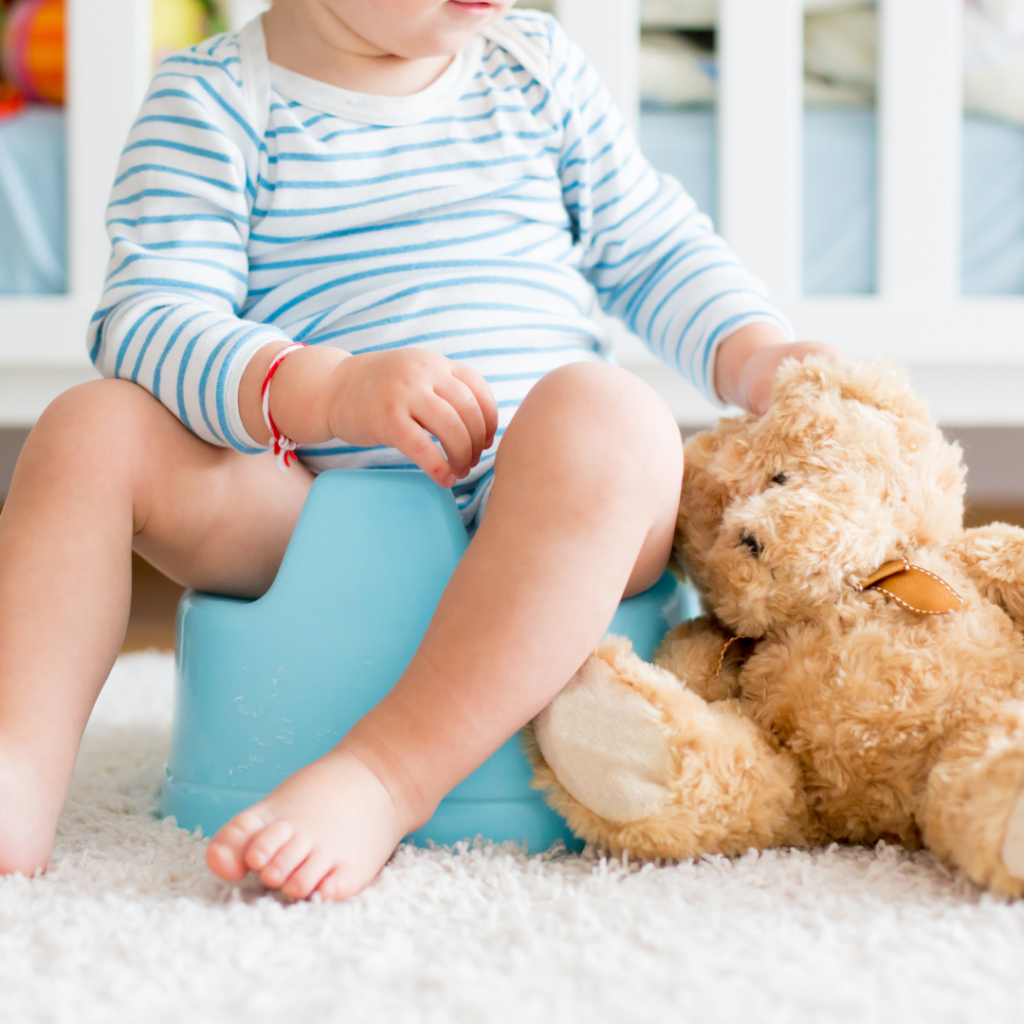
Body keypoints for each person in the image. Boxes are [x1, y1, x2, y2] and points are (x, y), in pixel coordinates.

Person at [0, 0, 837, 900]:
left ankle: (385, 775)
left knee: (616, 414)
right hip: (311, 510)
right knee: (90, 427)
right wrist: (322, 390)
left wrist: (755, 355)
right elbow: (150, 319)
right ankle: (19, 765)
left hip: (550, 502)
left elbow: (654, 248)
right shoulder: (213, 101)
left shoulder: (534, 68)